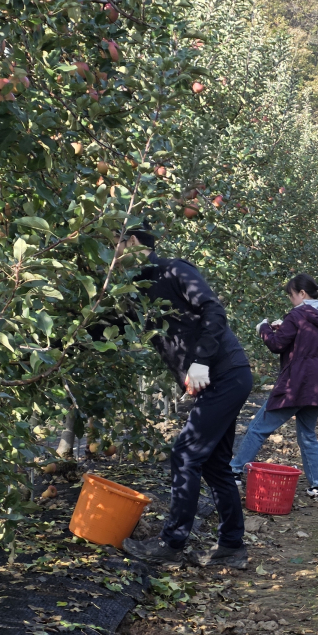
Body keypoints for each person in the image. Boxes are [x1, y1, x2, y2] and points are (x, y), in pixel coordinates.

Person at [119, 228, 253, 569]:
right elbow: (115, 325)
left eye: (113, 246)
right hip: (218, 380)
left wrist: (202, 360)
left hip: (225, 373)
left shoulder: (175, 270)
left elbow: (214, 310)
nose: (111, 255)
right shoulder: (137, 289)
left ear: (132, 243)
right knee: (214, 464)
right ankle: (232, 546)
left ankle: (171, 542)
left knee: (184, 455)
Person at [231, 274, 318, 498]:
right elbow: (306, 342)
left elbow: (277, 345)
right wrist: (284, 326)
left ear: (302, 294)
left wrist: (264, 329)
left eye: (291, 295)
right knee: (307, 434)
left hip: (295, 383)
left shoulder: (298, 314)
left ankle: (235, 470)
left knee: (259, 427)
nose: (291, 300)